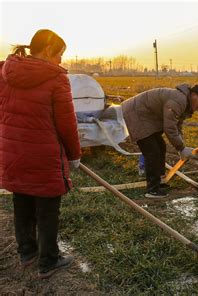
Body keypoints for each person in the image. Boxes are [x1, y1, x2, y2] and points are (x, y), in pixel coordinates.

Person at [0, 29, 81, 279]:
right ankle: (49, 261)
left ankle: (27, 253)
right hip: (43, 156)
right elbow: (66, 123)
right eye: (59, 55)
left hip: (12, 152)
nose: (60, 61)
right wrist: (74, 154)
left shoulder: (5, 73)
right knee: (47, 208)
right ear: (47, 51)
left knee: (21, 200)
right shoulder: (56, 78)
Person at [121, 84, 198, 198]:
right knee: (152, 152)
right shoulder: (179, 101)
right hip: (136, 114)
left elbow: (177, 126)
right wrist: (181, 148)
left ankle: (160, 182)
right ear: (194, 95)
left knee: (161, 146)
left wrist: (181, 148)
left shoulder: (184, 102)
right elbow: (169, 128)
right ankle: (152, 190)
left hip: (147, 116)